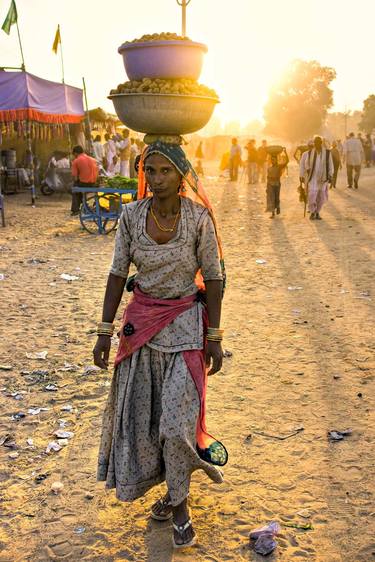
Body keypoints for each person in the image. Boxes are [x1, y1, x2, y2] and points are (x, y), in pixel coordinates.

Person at [94, 140, 227, 549]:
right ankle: (170, 491)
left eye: (165, 171)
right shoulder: (132, 216)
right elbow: (118, 273)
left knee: (175, 424)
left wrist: (214, 337)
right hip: (142, 333)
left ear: (181, 174)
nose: (155, 179)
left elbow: (215, 277)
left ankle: (181, 505)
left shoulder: (198, 218)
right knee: (147, 422)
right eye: (149, 171)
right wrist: (103, 330)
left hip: (186, 326)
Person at [299, 135, 333, 220]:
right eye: (315, 142)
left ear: (321, 143)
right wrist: (306, 171)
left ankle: (317, 212)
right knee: (311, 195)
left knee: (321, 197)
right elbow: (306, 164)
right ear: (314, 143)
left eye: (319, 142)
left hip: (323, 178)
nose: (317, 144)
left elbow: (330, 165)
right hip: (313, 178)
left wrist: (330, 175)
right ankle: (312, 211)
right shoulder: (310, 153)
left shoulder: (327, 153)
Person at [71, 145, 98, 215]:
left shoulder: (76, 161)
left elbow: (75, 177)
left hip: (84, 184)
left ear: (76, 153)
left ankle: (75, 209)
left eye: (74, 154)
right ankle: (83, 204)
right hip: (94, 184)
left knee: (74, 188)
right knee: (78, 186)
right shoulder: (93, 159)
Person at [265, 149, 289, 218]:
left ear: (276, 160)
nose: (273, 161)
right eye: (272, 160)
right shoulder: (269, 168)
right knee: (271, 198)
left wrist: (285, 152)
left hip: (277, 184)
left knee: (276, 198)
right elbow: (268, 178)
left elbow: (287, 161)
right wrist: (267, 188)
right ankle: (273, 213)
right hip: (270, 185)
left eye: (274, 159)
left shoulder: (279, 166)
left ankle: (278, 206)